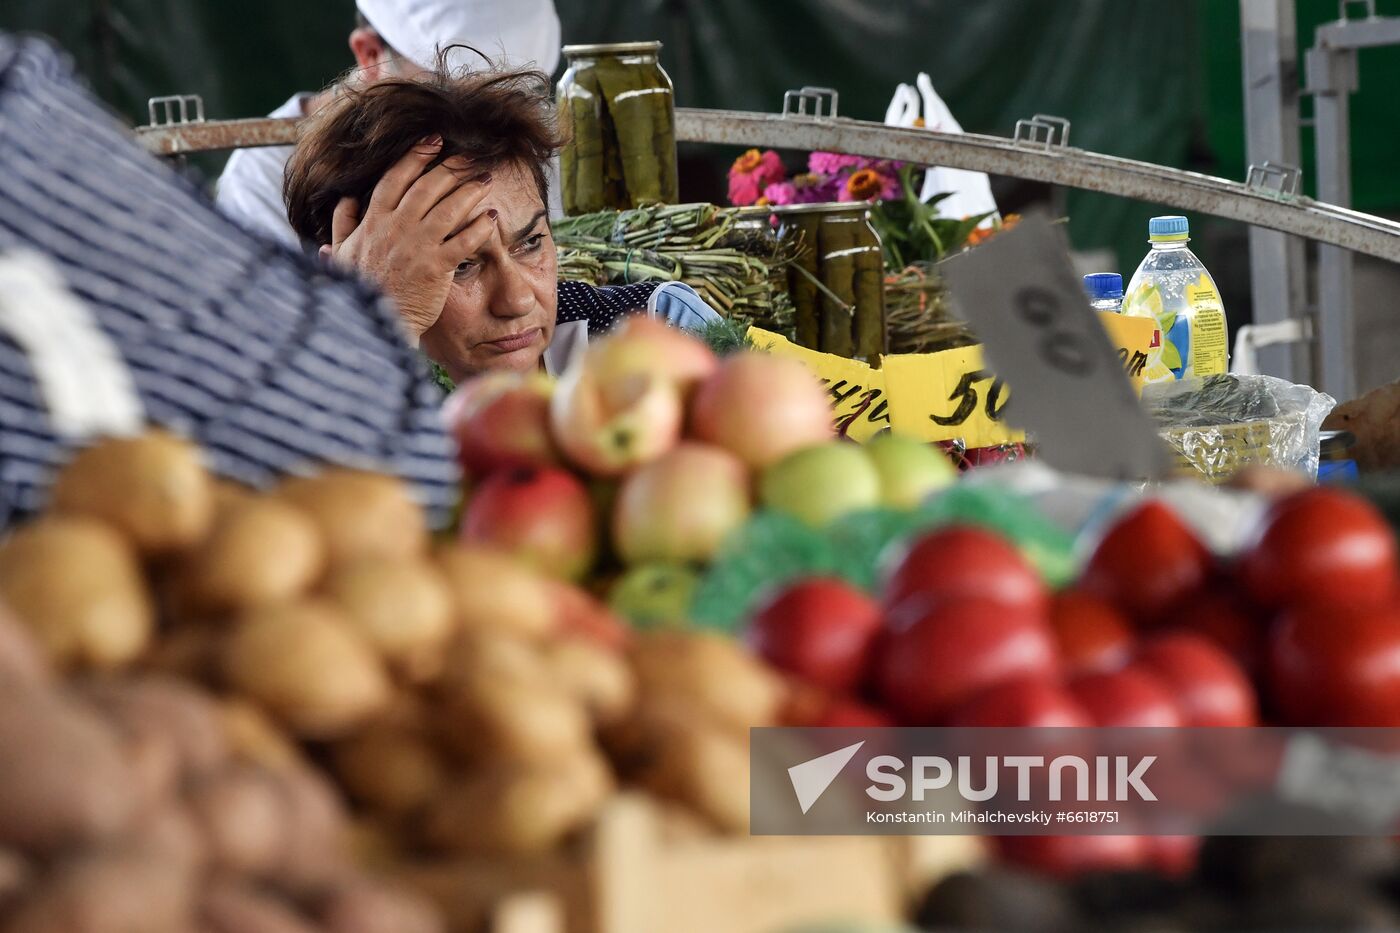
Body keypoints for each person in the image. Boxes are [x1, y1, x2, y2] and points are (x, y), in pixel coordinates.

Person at [284, 61, 720, 382]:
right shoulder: (308, 389)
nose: (517, 300)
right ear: (354, 270)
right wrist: (375, 326)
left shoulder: (659, 328)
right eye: (461, 265)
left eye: (530, 242)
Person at [216, 0, 561, 246]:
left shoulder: (528, 132)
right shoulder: (261, 181)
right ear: (369, 57)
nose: (492, 129)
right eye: (453, 92)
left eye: (518, 97)